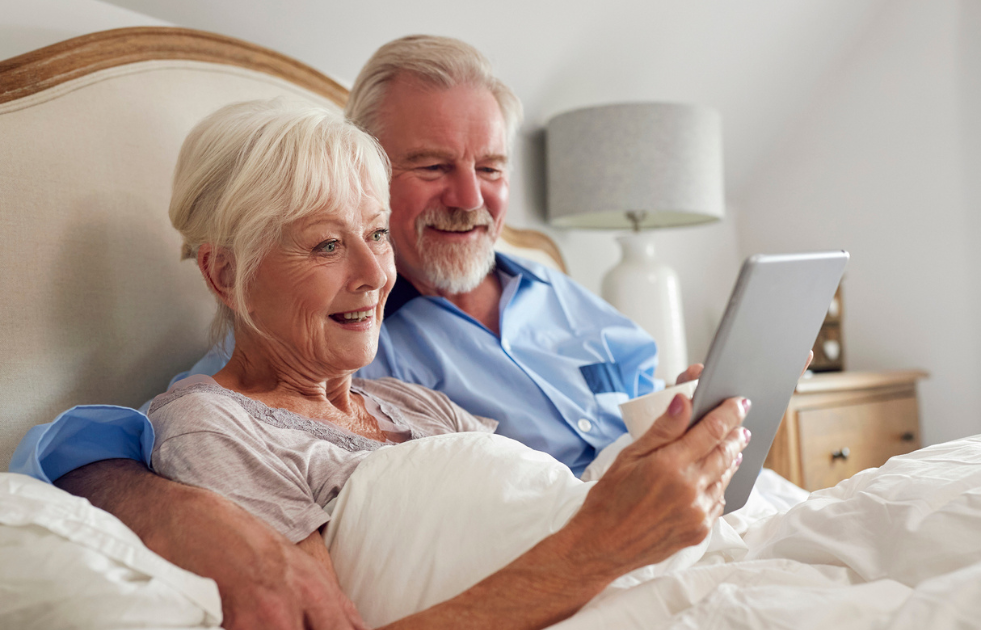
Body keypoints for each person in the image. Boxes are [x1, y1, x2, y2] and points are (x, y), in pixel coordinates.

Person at [150, 97, 751, 629]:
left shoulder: (412, 403)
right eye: (327, 245)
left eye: (377, 233)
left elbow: (554, 503)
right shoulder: (213, 426)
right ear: (225, 273)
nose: (375, 274)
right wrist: (608, 544)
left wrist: (677, 438)